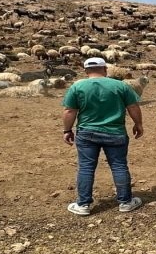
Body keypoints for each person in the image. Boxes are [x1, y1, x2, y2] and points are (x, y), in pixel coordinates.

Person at [61, 57, 145, 215]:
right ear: (105, 69)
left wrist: (67, 130)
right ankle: (125, 202)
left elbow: (70, 111)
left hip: (87, 133)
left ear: (86, 71)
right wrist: (138, 124)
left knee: (86, 167)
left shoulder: (77, 86)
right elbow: (133, 106)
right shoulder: (121, 85)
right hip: (115, 132)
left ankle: (83, 205)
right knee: (119, 165)